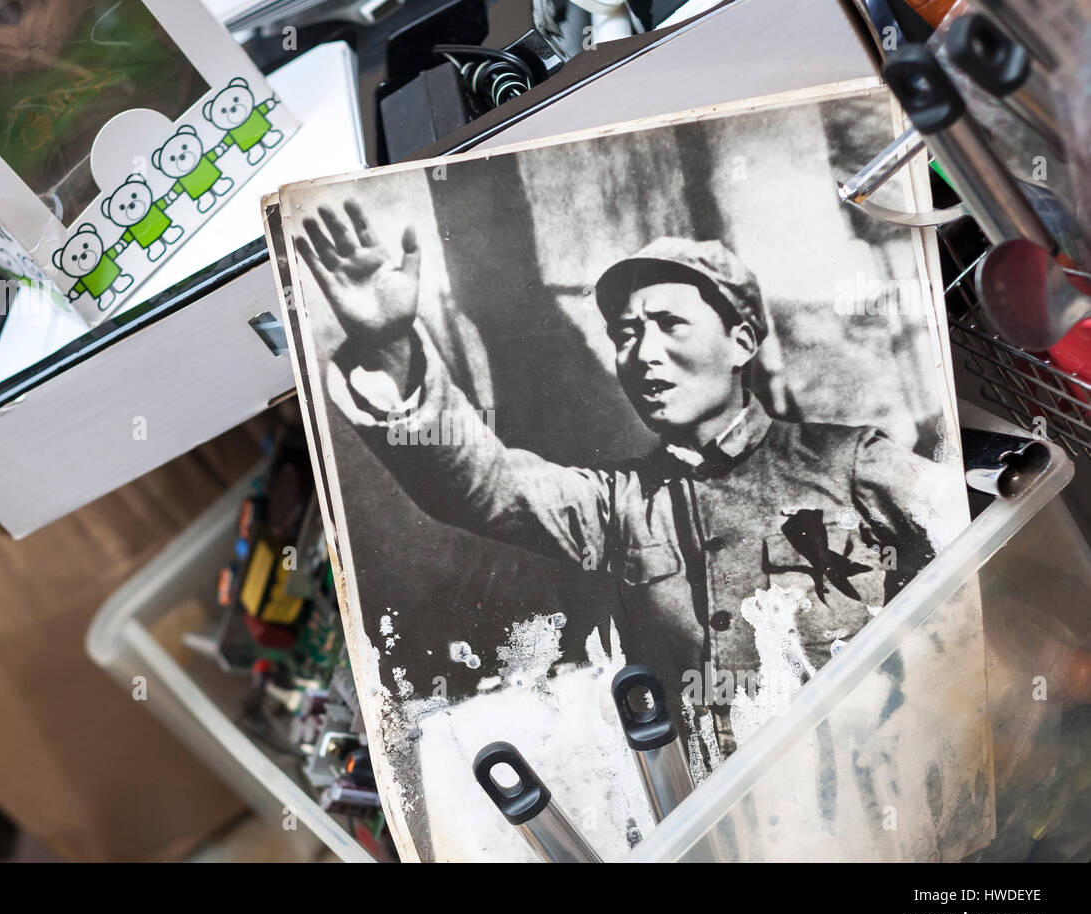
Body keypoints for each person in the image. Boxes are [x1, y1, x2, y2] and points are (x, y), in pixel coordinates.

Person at [296, 200, 956, 761]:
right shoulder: (618, 504)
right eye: (626, 333)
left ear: (743, 341)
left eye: (670, 324)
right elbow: (480, 485)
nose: (642, 353)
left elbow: (987, 563)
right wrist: (392, 347)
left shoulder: (853, 463)